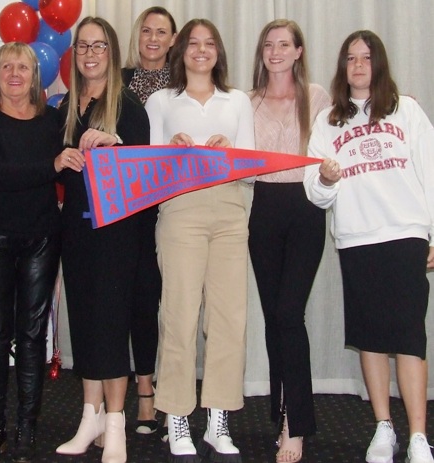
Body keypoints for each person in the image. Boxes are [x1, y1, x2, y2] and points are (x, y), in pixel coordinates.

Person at [304, 30, 434, 463]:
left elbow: (430, 172)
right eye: (350, 59)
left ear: (379, 64)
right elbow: (315, 193)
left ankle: (418, 435)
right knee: (372, 339)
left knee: (410, 339)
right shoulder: (327, 122)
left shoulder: (407, 110)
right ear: (343, 67)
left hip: (405, 234)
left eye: (366, 58)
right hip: (358, 239)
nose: (358, 66)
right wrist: (326, 178)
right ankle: (383, 427)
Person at [145, 18, 255, 463]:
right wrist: (171, 149)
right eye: (193, 43)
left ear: (219, 53)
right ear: (181, 50)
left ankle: (218, 417)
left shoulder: (238, 100)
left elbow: (249, 165)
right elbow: (146, 170)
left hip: (230, 211)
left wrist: (228, 150)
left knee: (229, 319)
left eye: (210, 44)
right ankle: (175, 416)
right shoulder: (160, 100)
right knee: (179, 315)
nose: (201, 50)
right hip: (181, 209)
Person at [54, 17, 150, 463]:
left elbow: (147, 171)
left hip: (116, 233)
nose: (90, 54)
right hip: (75, 232)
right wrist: (58, 158)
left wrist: (117, 143)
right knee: (87, 324)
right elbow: (48, 168)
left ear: (112, 53)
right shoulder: (64, 107)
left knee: (111, 326)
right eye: (82, 46)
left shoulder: (129, 106)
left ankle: (116, 424)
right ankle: (90, 417)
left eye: (99, 46)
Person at [0, 41, 78, 463]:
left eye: (23, 66)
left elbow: (74, 164)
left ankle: (27, 426)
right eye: (7, 66)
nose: (15, 74)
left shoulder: (52, 120)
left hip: (41, 238)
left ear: (35, 75)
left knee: (32, 335)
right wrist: (51, 166)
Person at [247, 19, 331, 463]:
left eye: (284, 45)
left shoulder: (317, 97)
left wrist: (395, 107)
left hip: (304, 210)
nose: (275, 51)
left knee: (288, 313)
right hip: (262, 209)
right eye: (268, 45)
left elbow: (354, 123)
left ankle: (296, 424)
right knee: (273, 316)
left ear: (299, 51)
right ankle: (281, 409)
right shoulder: (248, 101)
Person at [121, 6, 177, 436]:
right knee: (108, 305)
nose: (153, 38)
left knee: (146, 301)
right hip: (112, 208)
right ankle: (107, 395)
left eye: (162, 32)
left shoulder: (184, 87)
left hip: (161, 210)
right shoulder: (116, 81)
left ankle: (146, 390)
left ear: (173, 40)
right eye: (147, 31)